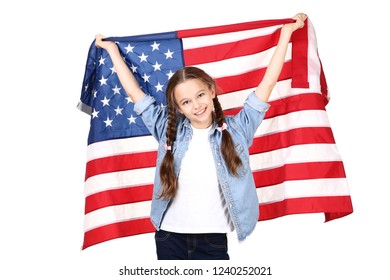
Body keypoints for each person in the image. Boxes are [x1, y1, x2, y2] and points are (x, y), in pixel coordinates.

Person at [95, 13, 307, 260]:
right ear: (178, 108)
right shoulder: (166, 129)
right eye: (185, 102)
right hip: (169, 236)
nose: (196, 105)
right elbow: (134, 92)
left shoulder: (238, 129)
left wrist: (286, 34)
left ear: (212, 91)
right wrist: (111, 50)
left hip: (213, 238)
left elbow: (268, 84)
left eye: (200, 95)